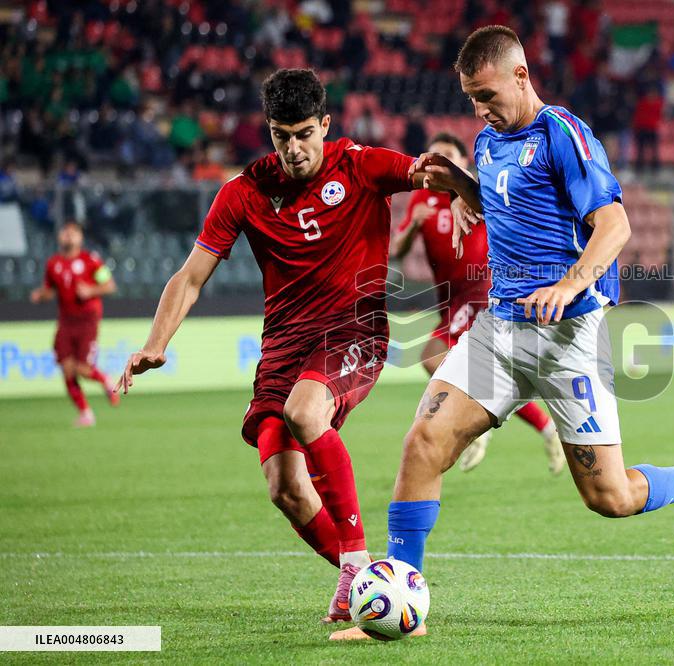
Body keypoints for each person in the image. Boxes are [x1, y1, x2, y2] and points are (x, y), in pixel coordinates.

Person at [330, 25, 674, 641]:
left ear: (521, 76)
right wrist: (460, 185)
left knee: (610, 497)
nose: (480, 109)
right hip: (500, 330)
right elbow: (506, 205)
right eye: (471, 98)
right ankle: (398, 606)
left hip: (568, 337)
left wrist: (568, 284)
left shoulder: (563, 134)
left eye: (487, 94)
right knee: (423, 443)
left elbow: (615, 225)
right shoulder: (487, 141)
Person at [114, 69, 425, 630]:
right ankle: (370, 585)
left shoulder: (359, 165)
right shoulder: (245, 191)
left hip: (352, 331)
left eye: (304, 133)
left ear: (324, 124)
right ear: (269, 131)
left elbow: (429, 172)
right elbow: (190, 276)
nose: (294, 148)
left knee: (305, 412)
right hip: (283, 348)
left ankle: (359, 568)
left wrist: (467, 196)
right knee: (284, 487)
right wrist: (155, 344)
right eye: (282, 136)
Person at [391, 132, 565, 474]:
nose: (438, 164)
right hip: (450, 297)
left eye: (447, 157)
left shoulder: (477, 191)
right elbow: (397, 249)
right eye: (433, 157)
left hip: (480, 288)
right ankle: (539, 427)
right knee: (474, 367)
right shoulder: (422, 199)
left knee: (432, 355)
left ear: (463, 163)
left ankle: (476, 424)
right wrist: (414, 226)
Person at [30, 219, 119, 427]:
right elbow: (49, 290)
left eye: (73, 232)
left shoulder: (91, 260)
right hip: (65, 322)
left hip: (87, 320)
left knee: (83, 368)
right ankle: (86, 413)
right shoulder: (53, 264)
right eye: (65, 231)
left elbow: (110, 285)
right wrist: (40, 295)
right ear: (59, 236)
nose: (68, 235)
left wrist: (91, 290)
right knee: (67, 368)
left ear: (80, 238)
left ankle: (105, 379)